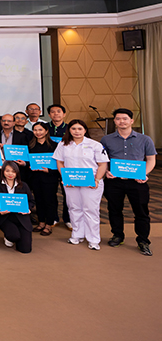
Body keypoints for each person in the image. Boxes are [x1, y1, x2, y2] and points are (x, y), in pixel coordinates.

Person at [100, 108, 156, 256]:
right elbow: (103, 160)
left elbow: (151, 160)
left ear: (131, 120)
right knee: (114, 209)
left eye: (125, 118)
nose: (121, 121)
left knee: (141, 211)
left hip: (137, 181)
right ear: (114, 121)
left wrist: (144, 173)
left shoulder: (145, 139)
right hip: (114, 181)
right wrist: (106, 171)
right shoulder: (106, 140)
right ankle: (118, 235)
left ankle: (143, 240)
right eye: (118, 119)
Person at [53, 119, 109, 250]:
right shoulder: (63, 144)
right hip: (71, 183)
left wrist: (97, 179)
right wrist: (65, 178)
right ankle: (77, 234)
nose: (76, 131)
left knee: (91, 210)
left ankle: (93, 239)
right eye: (73, 129)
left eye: (80, 129)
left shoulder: (95, 145)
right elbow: (60, 162)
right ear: (69, 130)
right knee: (74, 208)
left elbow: (102, 164)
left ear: (85, 130)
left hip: (91, 183)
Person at [0, 161, 35, 253]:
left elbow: (31, 201)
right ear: (3, 171)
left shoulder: (24, 185)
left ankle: (18, 236)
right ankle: (9, 237)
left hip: (21, 217)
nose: (10, 174)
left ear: (17, 173)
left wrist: (28, 209)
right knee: (13, 236)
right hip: (6, 217)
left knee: (25, 249)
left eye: (13, 171)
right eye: (7, 171)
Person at [28, 122, 59, 236]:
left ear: (46, 131)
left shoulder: (55, 146)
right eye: (35, 130)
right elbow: (28, 161)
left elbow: (60, 163)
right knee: (39, 200)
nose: (38, 132)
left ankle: (48, 224)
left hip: (50, 178)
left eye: (40, 130)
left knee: (50, 201)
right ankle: (41, 222)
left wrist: (49, 171)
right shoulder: (30, 146)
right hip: (35, 178)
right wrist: (27, 165)